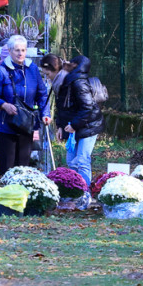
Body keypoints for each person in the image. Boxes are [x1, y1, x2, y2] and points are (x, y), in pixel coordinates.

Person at [0, 35, 50, 175]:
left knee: (23, 168)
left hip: (26, 124)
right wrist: (4, 105)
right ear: (9, 51)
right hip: (6, 125)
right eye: (17, 50)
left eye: (23, 50)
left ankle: (22, 195)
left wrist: (45, 114)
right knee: (7, 168)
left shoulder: (33, 69)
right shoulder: (0, 71)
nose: (20, 53)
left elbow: (42, 94)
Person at [41, 53, 104, 186]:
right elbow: (63, 108)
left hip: (88, 126)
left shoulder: (77, 82)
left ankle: (84, 193)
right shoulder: (60, 82)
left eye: (47, 74)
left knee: (82, 160)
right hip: (73, 127)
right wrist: (60, 126)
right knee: (71, 162)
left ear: (55, 70)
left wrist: (74, 125)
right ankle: (75, 192)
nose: (47, 78)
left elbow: (87, 107)